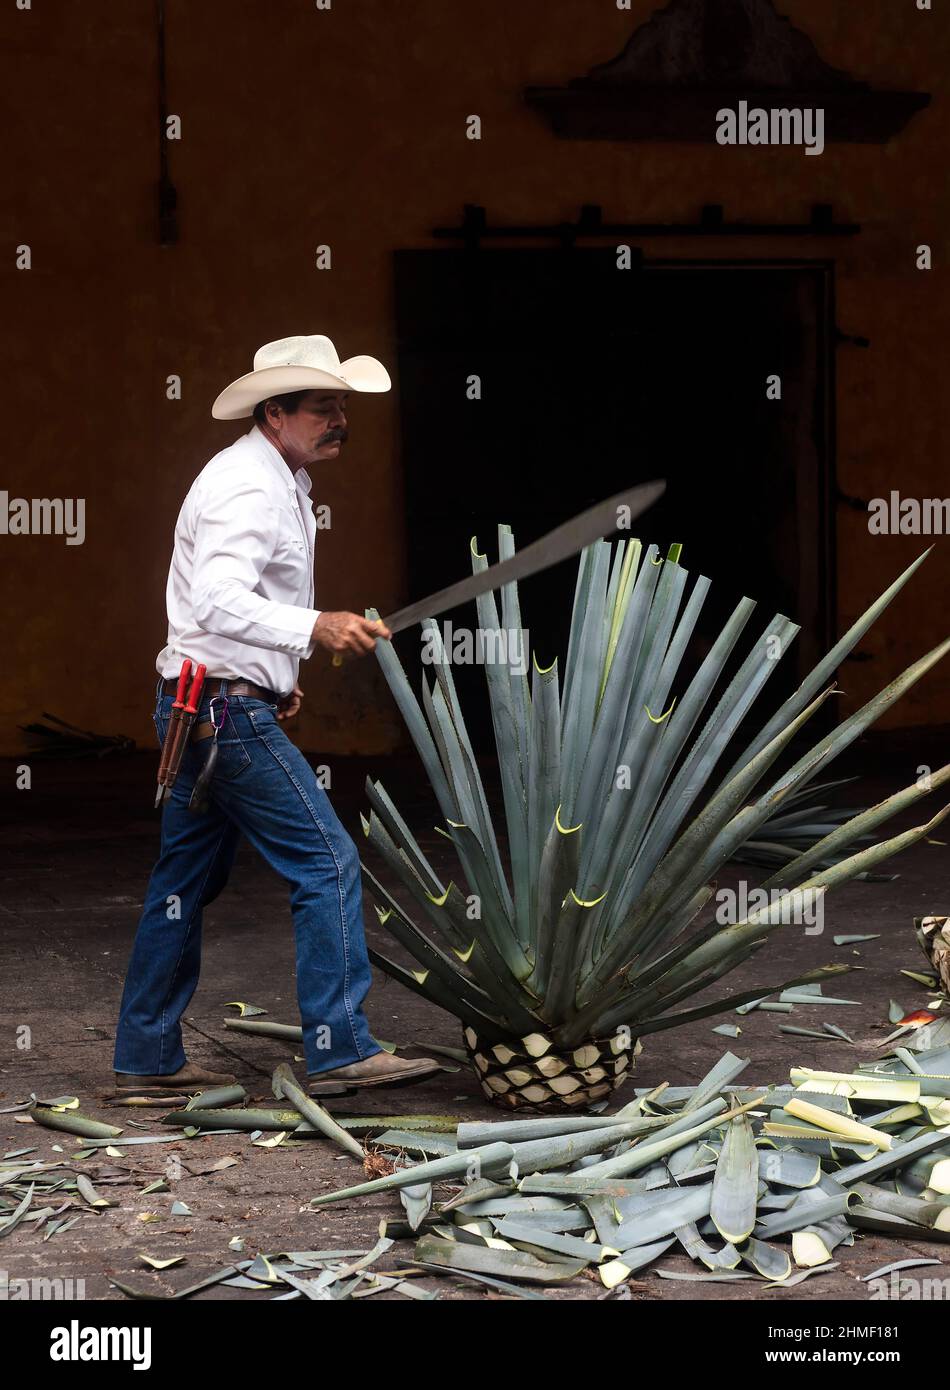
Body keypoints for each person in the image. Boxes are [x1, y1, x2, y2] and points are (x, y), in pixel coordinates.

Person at [112, 335, 440, 1095]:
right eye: (322, 407)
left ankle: (144, 1059)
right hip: (220, 718)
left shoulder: (276, 476)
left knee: (181, 884)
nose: (338, 421)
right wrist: (313, 629)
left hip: (211, 703)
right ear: (275, 411)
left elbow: (226, 612)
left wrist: (273, 675)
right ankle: (340, 1048)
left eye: (341, 408)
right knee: (327, 861)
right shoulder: (248, 487)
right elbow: (215, 601)